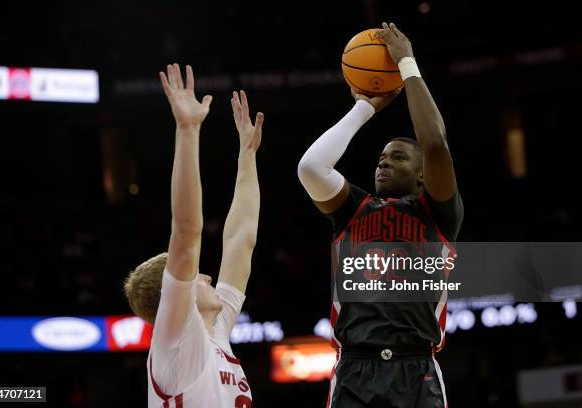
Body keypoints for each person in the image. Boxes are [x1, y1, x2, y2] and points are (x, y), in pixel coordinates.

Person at [297, 23, 463, 408]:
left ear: (422, 175)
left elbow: (435, 143)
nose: (384, 164)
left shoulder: (437, 214)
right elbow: (311, 168)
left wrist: (406, 63)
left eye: (399, 157)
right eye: (381, 159)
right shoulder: (353, 210)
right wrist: (364, 107)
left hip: (416, 368)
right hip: (354, 368)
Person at [124, 63, 263, 408]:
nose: (207, 275)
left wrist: (247, 156)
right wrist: (187, 129)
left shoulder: (214, 332)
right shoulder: (175, 342)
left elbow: (241, 238)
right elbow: (186, 233)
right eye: (197, 276)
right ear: (174, 297)